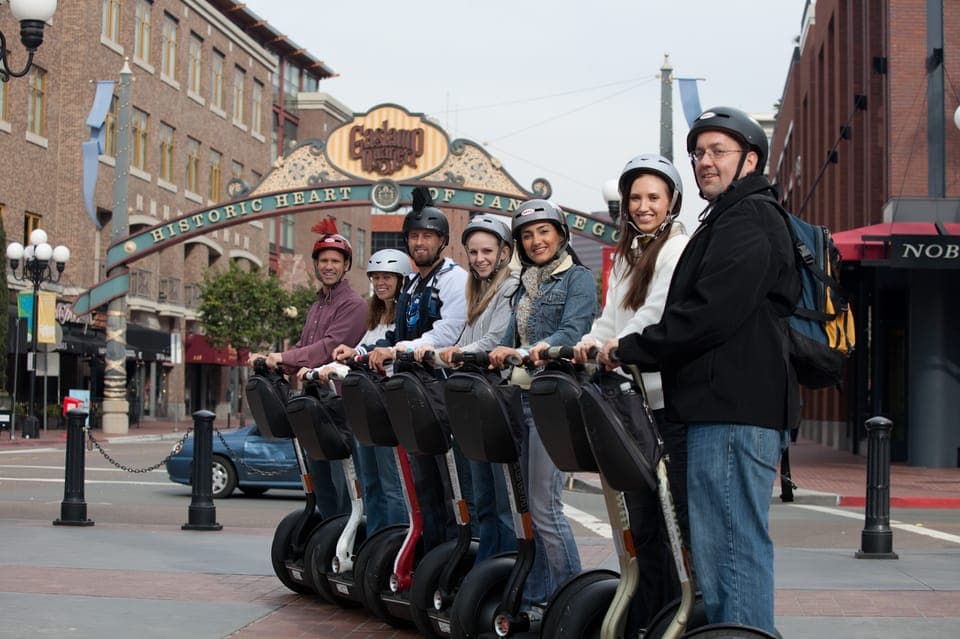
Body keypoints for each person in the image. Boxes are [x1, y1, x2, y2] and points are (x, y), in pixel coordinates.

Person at [602, 106, 801, 634]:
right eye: (699, 153)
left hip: (736, 410)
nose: (705, 162)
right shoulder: (728, 219)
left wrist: (635, 348)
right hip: (717, 408)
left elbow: (708, 314)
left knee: (732, 553)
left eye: (719, 151)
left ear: (751, 159)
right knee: (716, 555)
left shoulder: (751, 219)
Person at [573, 153, 689, 631]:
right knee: (638, 521)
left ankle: (662, 614)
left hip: (660, 401)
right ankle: (644, 612)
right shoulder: (627, 254)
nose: (643, 206)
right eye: (635, 198)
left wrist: (614, 348)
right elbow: (610, 318)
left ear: (672, 202)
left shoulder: (675, 250)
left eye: (653, 198)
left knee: (659, 519)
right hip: (627, 400)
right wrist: (586, 343)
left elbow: (654, 315)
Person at [488, 199, 596, 608]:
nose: (536, 241)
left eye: (544, 232)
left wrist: (532, 349)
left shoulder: (577, 279)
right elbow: (507, 335)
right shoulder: (522, 285)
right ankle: (536, 598)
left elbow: (573, 330)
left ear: (561, 235)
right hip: (519, 397)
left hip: (552, 400)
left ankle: (573, 602)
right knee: (526, 509)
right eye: (528, 235)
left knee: (544, 507)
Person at [362, 187, 469, 552]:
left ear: (442, 240)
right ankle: (428, 556)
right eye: (414, 236)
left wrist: (399, 349)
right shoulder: (413, 284)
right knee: (422, 487)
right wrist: (363, 351)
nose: (419, 242)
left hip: (440, 394)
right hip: (411, 393)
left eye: (427, 236)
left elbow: (447, 331)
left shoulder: (454, 279)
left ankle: (451, 555)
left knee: (445, 485)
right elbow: (395, 333)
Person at [418, 215, 520, 561]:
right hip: (474, 400)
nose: (479, 258)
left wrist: (458, 354)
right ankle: (483, 568)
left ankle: (503, 571)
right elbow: (466, 337)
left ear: (504, 252)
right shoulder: (476, 289)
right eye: (473, 252)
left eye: (487, 251)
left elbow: (495, 339)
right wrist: (437, 355)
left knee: (502, 504)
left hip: (497, 400)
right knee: (483, 500)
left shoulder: (509, 287)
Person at [247, 227, 367, 519]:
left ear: (346, 266)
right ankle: (325, 541)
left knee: (341, 489)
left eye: (335, 261)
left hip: (338, 407)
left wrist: (282, 357)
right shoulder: (316, 306)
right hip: (313, 406)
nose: (329, 266)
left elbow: (326, 349)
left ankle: (344, 541)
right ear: (316, 264)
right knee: (320, 484)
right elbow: (304, 348)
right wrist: (271, 360)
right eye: (324, 261)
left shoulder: (353, 305)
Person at [302, 248, 412, 535]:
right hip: (366, 408)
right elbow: (358, 352)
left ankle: (394, 544)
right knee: (370, 483)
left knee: (391, 485)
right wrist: (333, 363)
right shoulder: (374, 317)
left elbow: (388, 349)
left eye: (387, 277)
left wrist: (360, 355)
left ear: (401, 279)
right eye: (376, 278)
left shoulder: (404, 317)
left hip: (389, 407)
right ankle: (374, 544)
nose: (381, 283)